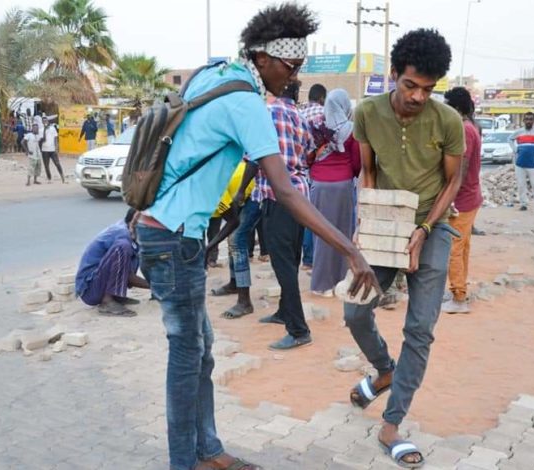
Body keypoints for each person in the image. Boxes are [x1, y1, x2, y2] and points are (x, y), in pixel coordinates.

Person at [135, 5, 379, 469]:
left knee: (200, 350)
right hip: (173, 238)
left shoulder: (213, 73)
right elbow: (286, 190)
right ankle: (183, 462)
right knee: (187, 358)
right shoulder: (246, 100)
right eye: (290, 67)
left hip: (165, 231)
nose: (293, 77)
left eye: (300, 68)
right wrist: (350, 249)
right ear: (264, 57)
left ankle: (207, 451)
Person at [346, 28, 464, 468]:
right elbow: (368, 170)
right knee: (355, 310)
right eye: (410, 85)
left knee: (420, 331)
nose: (418, 96)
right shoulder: (367, 113)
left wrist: (426, 229)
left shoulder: (448, 121)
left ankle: (392, 423)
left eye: (428, 89)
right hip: (384, 225)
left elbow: (454, 180)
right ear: (393, 74)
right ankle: (384, 370)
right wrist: (368, 220)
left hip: (432, 229)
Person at [253, 80, 316, 350]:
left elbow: (253, 156)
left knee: (283, 265)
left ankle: (298, 329)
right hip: (300, 195)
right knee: (292, 258)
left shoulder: (267, 113)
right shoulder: (300, 117)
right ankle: (283, 312)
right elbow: (311, 150)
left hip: (277, 195)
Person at [308, 88, 361, 297]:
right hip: (342, 184)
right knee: (342, 234)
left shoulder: (317, 127)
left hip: (319, 184)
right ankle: (339, 281)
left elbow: (308, 156)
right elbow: (357, 161)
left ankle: (320, 284)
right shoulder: (351, 129)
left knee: (321, 234)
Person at [442, 87, 483, 314]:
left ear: (456, 108)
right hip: (470, 196)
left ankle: (459, 298)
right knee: (462, 247)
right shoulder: (471, 127)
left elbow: (462, 167)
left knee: (454, 249)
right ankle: (460, 290)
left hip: (463, 199)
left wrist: (450, 197)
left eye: (448, 107)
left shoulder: (465, 130)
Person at [208, 159, 259, 319]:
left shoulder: (212, 190)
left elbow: (232, 222)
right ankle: (234, 283)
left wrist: (209, 247)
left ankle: (245, 302)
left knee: (236, 240)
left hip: (255, 193)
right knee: (233, 238)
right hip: (239, 192)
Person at [75, 208, 149, 317]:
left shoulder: (128, 229)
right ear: (134, 222)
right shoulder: (122, 235)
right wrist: (157, 286)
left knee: (131, 249)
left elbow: (125, 272)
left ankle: (114, 296)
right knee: (123, 247)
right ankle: (107, 302)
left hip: (97, 283)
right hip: (89, 289)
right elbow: (128, 276)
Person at [299, 83, 327, 271]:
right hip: (319, 171)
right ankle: (316, 258)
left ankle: (307, 258)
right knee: (318, 216)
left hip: (301, 171)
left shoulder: (299, 114)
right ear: (322, 98)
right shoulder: (323, 115)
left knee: (306, 215)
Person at [40, 117, 65, 183]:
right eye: (43, 121)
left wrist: (56, 147)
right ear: (42, 122)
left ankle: (62, 177)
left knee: (57, 163)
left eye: (46, 120)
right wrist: (44, 131)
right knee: (46, 165)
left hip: (52, 150)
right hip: (44, 150)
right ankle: (49, 178)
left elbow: (55, 138)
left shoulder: (52, 128)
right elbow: (42, 140)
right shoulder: (41, 130)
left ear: (48, 121)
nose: (45, 122)